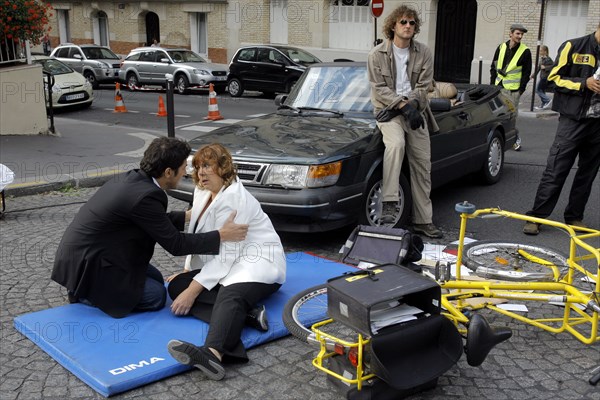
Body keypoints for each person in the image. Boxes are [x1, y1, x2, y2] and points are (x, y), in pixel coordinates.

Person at [51, 137, 249, 318]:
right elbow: (176, 244)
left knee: (154, 277)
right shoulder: (147, 196)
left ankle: (91, 287)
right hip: (92, 264)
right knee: (157, 295)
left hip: (89, 255)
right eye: (182, 168)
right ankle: (87, 293)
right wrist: (222, 235)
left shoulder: (134, 179)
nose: (186, 173)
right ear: (168, 172)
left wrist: (189, 216)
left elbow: (152, 220)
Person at [166, 143, 286, 380]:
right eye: (198, 166)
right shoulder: (202, 192)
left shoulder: (236, 199)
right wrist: (188, 271)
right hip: (228, 262)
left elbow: (228, 255)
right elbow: (199, 234)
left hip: (257, 261)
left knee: (229, 294)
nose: (201, 172)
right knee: (176, 286)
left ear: (223, 167)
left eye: (208, 166)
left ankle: (213, 353)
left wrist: (193, 290)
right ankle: (249, 315)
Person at [367, 4, 442, 239]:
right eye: (403, 22)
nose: (408, 26)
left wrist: (410, 106)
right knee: (396, 145)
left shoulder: (424, 52)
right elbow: (378, 88)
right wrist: (401, 106)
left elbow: (424, 86)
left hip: (415, 113)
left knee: (422, 163)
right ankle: (389, 205)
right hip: (388, 113)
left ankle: (423, 220)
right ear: (393, 26)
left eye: (412, 23)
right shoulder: (376, 54)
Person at [523, 23, 600, 235]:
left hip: (597, 124)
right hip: (573, 121)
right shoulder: (574, 46)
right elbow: (552, 80)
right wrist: (584, 83)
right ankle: (536, 217)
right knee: (556, 168)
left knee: (588, 173)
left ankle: (575, 217)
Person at [490, 23, 532, 151]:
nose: (520, 36)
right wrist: (492, 85)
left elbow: (526, 73)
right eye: (518, 33)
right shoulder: (501, 47)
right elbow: (494, 66)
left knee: (511, 117)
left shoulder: (525, 51)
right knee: (496, 115)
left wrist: (521, 90)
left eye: (521, 34)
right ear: (511, 34)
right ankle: (498, 139)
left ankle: (515, 138)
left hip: (513, 90)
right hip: (498, 87)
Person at [532, 45, 554, 110]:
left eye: (541, 51)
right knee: (542, 91)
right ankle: (543, 104)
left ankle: (547, 100)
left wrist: (545, 67)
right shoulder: (542, 59)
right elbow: (538, 68)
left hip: (545, 77)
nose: (539, 52)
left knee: (537, 90)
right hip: (542, 76)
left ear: (545, 51)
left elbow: (553, 67)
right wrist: (533, 75)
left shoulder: (548, 59)